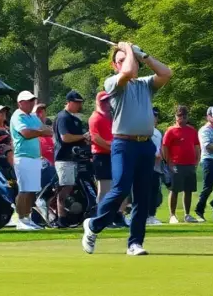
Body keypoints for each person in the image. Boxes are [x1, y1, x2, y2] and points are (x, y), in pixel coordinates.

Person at [82, 42, 172, 257]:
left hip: (145, 145)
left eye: (128, 59)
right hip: (124, 144)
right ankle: (94, 225)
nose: (127, 63)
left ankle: (135, 243)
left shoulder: (145, 84)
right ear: (115, 65)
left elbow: (166, 73)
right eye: (120, 60)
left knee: (143, 195)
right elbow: (128, 71)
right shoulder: (113, 82)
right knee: (121, 188)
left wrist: (144, 55)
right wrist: (129, 50)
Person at [11, 90, 50, 231]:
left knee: (32, 190)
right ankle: (21, 219)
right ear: (20, 103)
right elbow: (26, 133)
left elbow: (43, 128)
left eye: (32, 100)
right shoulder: (17, 116)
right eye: (28, 101)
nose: (31, 103)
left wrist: (53, 131)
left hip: (34, 158)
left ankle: (27, 218)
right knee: (24, 189)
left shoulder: (32, 117)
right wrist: (42, 132)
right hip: (22, 157)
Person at [52, 91, 90, 228]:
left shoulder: (75, 119)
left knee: (72, 186)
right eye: (76, 102)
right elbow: (65, 138)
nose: (79, 105)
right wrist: (84, 136)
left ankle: (69, 216)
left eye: (80, 103)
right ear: (68, 102)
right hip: (63, 158)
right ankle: (61, 218)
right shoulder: (63, 117)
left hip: (74, 158)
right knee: (65, 187)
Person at [162, 105, 200, 224]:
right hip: (176, 164)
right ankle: (172, 215)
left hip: (190, 164)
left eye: (184, 116)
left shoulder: (192, 130)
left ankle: (187, 214)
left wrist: (197, 160)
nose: (182, 118)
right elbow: (165, 147)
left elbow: (196, 146)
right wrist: (168, 162)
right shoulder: (171, 131)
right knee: (174, 190)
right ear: (176, 116)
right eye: (179, 116)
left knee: (188, 190)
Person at [194, 106, 213, 222]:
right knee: (208, 188)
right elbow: (208, 147)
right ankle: (199, 210)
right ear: (209, 117)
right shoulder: (204, 130)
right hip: (209, 160)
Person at [88, 92, 113, 202]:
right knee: (104, 188)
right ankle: (100, 214)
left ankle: (112, 214)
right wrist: (110, 147)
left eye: (107, 100)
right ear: (98, 102)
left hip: (109, 154)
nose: (106, 103)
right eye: (103, 101)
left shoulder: (110, 117)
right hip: (101, 155)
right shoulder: (95, 118)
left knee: (111, 187)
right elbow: (95, 138)